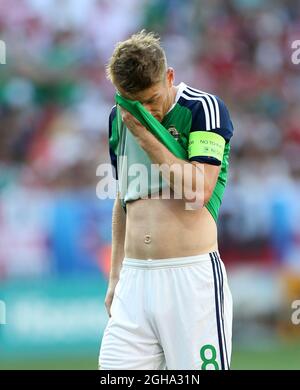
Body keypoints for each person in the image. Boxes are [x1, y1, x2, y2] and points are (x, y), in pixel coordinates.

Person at [99, 30, 234, 370]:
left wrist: (146, 137)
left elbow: (198, 190)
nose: (145, 112)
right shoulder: (118, 118)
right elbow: (124, 199)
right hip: (134, 281)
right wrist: (116, 276)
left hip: (190, 279)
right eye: (134, 102)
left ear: (169, 76)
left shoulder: (204, 108)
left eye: (151, 100)